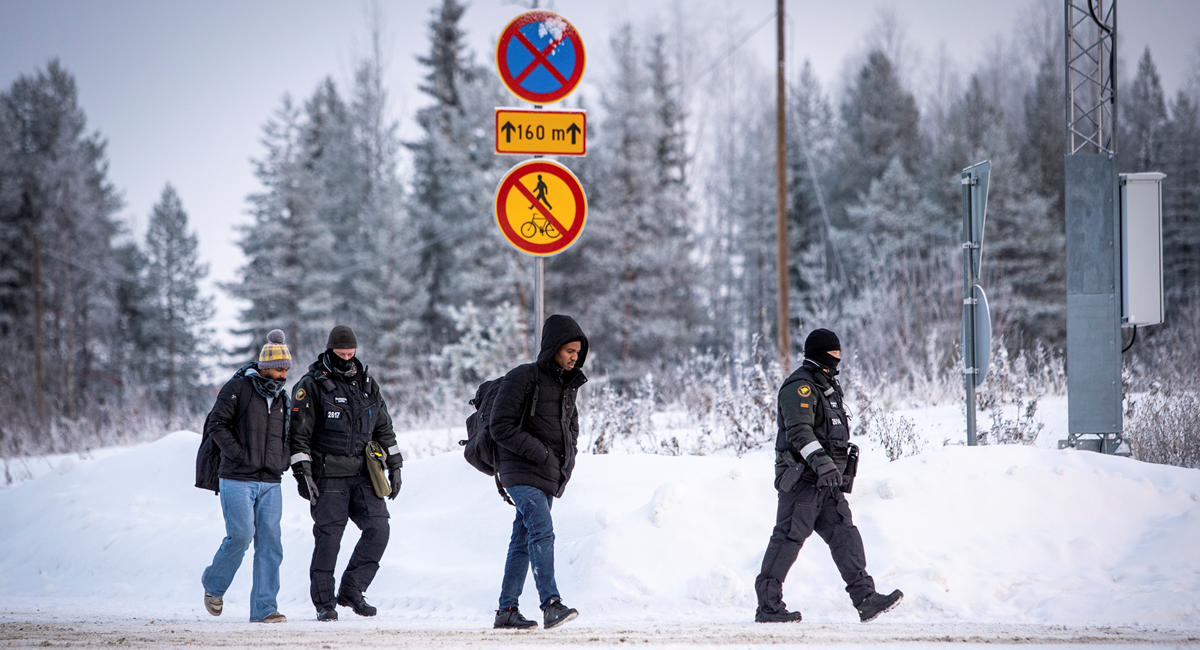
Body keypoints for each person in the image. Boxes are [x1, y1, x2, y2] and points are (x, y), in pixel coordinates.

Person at [754, 328, 903, 624]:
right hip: (803, 481)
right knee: (788, 539)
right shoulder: (800, 387)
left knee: (844, 534)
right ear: (822, 354)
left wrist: (837, 465)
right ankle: (768, 607)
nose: (838, 359)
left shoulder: (827, 386)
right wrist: (821, 462)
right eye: (834, 353)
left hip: (827, 481)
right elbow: (799, 431)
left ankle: (865, 598)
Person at [289, 325, 402, 622]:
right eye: (341, 353)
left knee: (379, 529)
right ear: (330, 350)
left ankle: (352, 590)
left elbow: (384, 429)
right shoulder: (311, 385)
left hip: (364, 475)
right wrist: (303, 473)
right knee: (329, 538)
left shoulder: (366, 383)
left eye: (350, 353)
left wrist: (395, 466)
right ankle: (325, 602)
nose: (346, 357)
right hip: (328, 476)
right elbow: (298, 435)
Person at [489, 315, 588, 630]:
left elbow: (570, 431)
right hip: (518, 470)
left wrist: (564, 463)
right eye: (569, 350)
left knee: (523, 538)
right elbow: (500, 426)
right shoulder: (523, 377)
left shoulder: (568, 386)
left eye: (578, 352)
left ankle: (506, 610)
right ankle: (551, 604)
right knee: (542, 529)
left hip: (546, 474)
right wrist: (541, 453)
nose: (574, 356)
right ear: (554, 347)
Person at [201, 329, 293, 623]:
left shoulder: (282, 398)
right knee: (241, 535)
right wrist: (238, 454)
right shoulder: (238, 388)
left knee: (271, 542)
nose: (284, 375)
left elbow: (288, 435)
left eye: (286, 369)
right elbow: (217, 425)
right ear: (266, 367)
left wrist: (282, 458)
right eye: (280, 369)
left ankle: (264, 608)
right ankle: (213, 584)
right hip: (237, 477)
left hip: (270, 481)